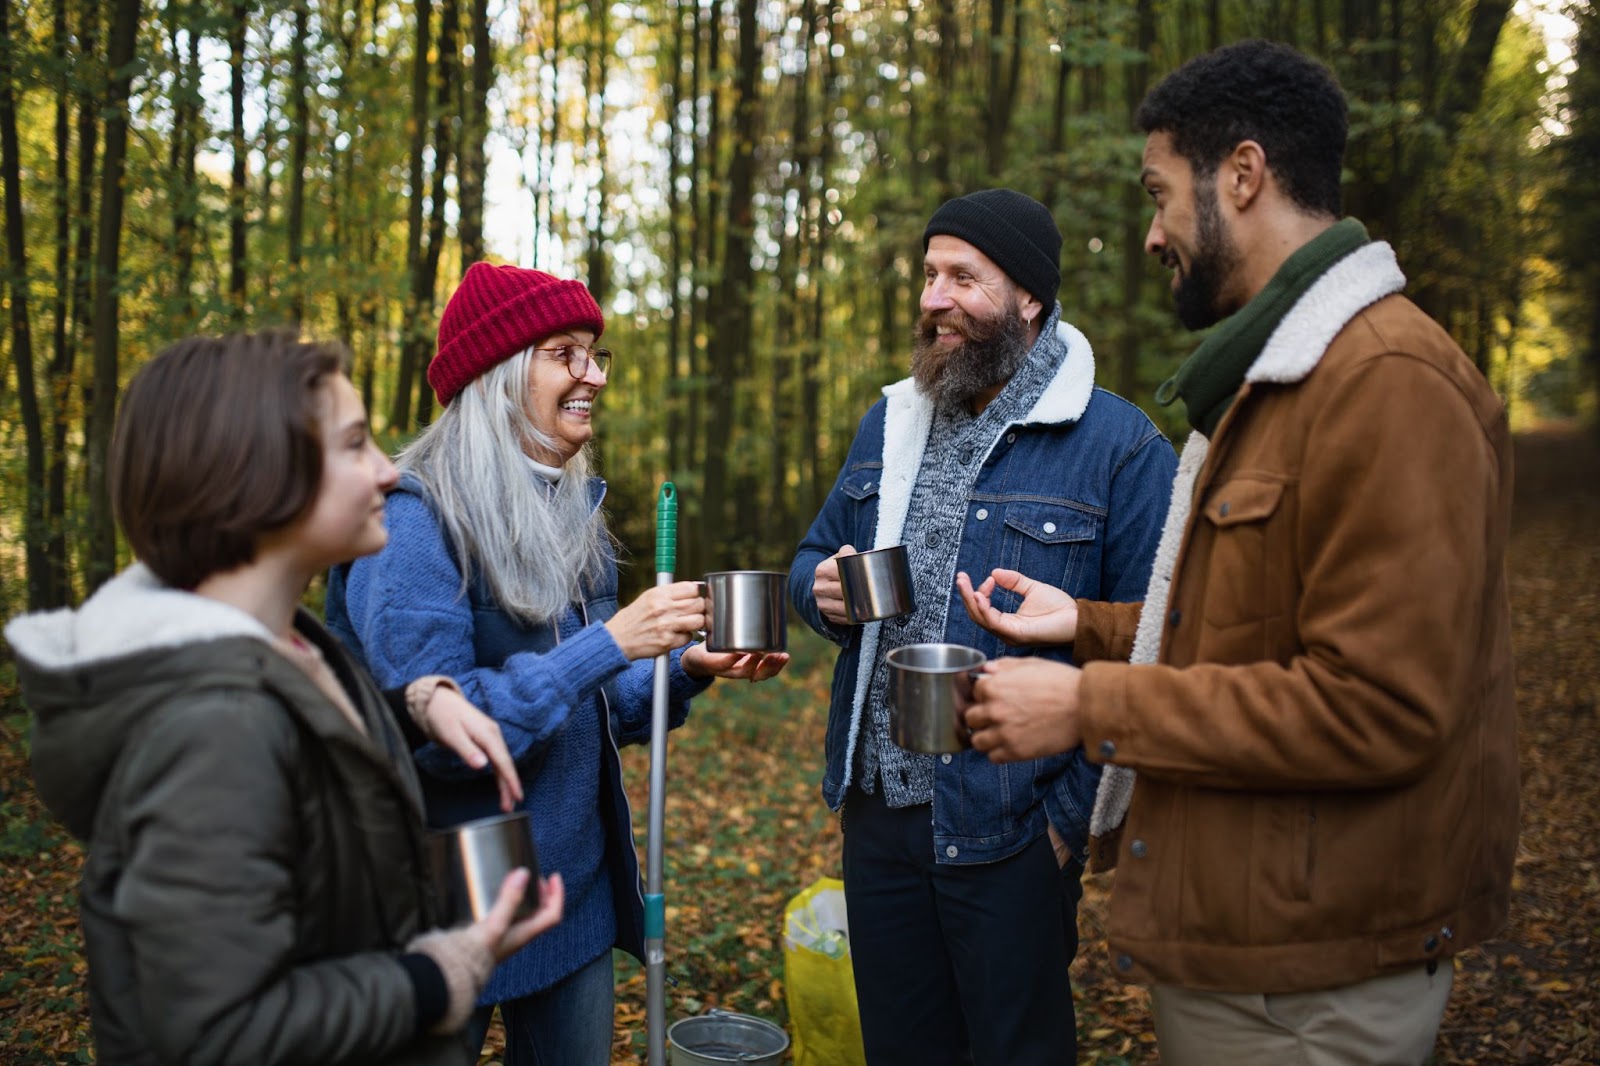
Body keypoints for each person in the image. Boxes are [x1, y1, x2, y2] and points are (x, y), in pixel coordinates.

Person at [957, 40, 1517, 1066]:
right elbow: (1255, 624)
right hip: (1256, 954)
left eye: (1161, 194)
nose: (1150, 232)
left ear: (1244, 176)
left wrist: (1091, 706)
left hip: (1317, 980)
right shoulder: (1276, 378)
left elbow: (1379, 706)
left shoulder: (1388, 383)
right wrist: (1083, 625)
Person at [4, 331, 564, 1065]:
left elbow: (309, 750)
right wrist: (436, 976)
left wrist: (418, 701)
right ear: (261, 476)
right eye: (356, 444)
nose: (389, 472)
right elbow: (215, 1033)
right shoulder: (209, 728)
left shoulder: (288, 643)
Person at [326, 262, 788, 1065]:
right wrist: (608, 643)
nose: (591, 375)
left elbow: (597, 702)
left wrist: (688, 668)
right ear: (499, 376)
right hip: (444, 903)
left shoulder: (571, 512)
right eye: (563, 353)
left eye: (595, 354)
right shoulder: (413, 522)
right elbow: (443, 731)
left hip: (568, 893)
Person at [788, 188, 1178, 1065]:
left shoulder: (1118, 444)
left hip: (1010, 828)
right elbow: (809, 558)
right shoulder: (891, 422)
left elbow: (1159, 642)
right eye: (930, 275)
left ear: (1030, 297)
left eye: (963, 276)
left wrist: (1063, 828)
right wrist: (820, 593)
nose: (934, 297)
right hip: (880, 820)